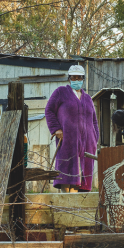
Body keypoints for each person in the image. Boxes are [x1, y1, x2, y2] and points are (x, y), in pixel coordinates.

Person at [45, 64, 99, 192]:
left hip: (87, 144)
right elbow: (49, 110)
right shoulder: (61, 92)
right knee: (67, 173)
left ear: (83, 79)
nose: (76, 80)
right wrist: (56, 129)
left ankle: (79, 206)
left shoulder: (88, 99)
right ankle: (65, 203)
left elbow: (94, 121)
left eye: (79, 78)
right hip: (68, 141)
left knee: (84, 177)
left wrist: (94, 138)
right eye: (74, 77)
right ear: (69, 78)